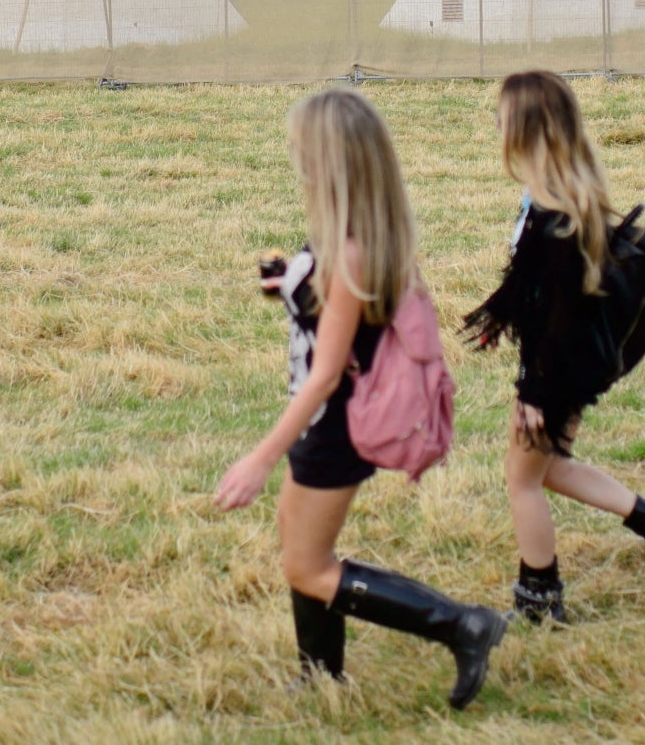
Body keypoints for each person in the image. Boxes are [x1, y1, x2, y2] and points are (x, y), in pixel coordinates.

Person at [215, 88, 508, 709]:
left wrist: (259, 459)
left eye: (302, 150)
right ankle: (320, 677)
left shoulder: (349, 254)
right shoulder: (348, 236)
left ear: (330, 161)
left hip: (338, 425)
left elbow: (324, 375)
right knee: (297, 538)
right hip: (326, 419)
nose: (295, 159)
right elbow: (332, 321)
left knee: (307, 566)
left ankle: (463, 625)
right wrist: (286, 284)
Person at [466, 71, 645, 625]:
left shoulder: (556, 218)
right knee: (550, 469)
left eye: (503, 116)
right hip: (567, 368)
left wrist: (532, 393)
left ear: (527, 130)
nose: (496, 124)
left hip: (557, 372)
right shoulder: (553, 199)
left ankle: (540, 601)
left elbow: (555, 319)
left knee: (523, 480)